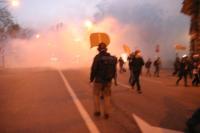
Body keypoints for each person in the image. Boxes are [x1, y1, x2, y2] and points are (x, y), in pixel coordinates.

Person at [90, 43, 117, 119]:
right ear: (106, 49)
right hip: (108, 81)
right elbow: (114, 70)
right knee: (107, 97)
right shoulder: (111, 58)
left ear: (98, 49)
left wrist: (91, 79)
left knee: (96, 95)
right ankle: (106, 113)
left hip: (98, 80)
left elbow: (93, 69)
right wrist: (114, 79)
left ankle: (97, 111)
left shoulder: (97, 57)